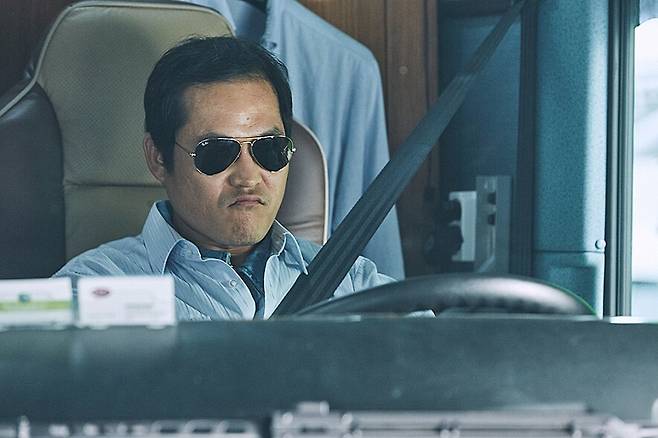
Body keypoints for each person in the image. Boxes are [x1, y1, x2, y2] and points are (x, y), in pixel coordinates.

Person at [54, 36, 393, 320]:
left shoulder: (354, 285)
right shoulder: (85, 295)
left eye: (269, 149)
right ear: (158, 158)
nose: (248, 177)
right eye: (216, 152)